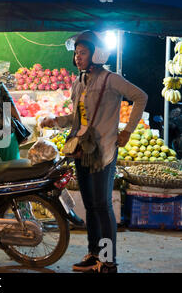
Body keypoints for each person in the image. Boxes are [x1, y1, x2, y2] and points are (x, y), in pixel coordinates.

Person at [41, 30, 148, 273]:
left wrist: (128, 130)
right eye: (77, 53)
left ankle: (108, 261)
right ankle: (93, 254)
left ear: (96, 54)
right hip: (82, 150)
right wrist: (56, 121)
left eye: (83, 52)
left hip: (104, 151)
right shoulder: (79, 82)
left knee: (102, 204)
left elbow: (140, 97)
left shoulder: (112, 79)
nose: (78, 57)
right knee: (90, 205)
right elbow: (77, 118)